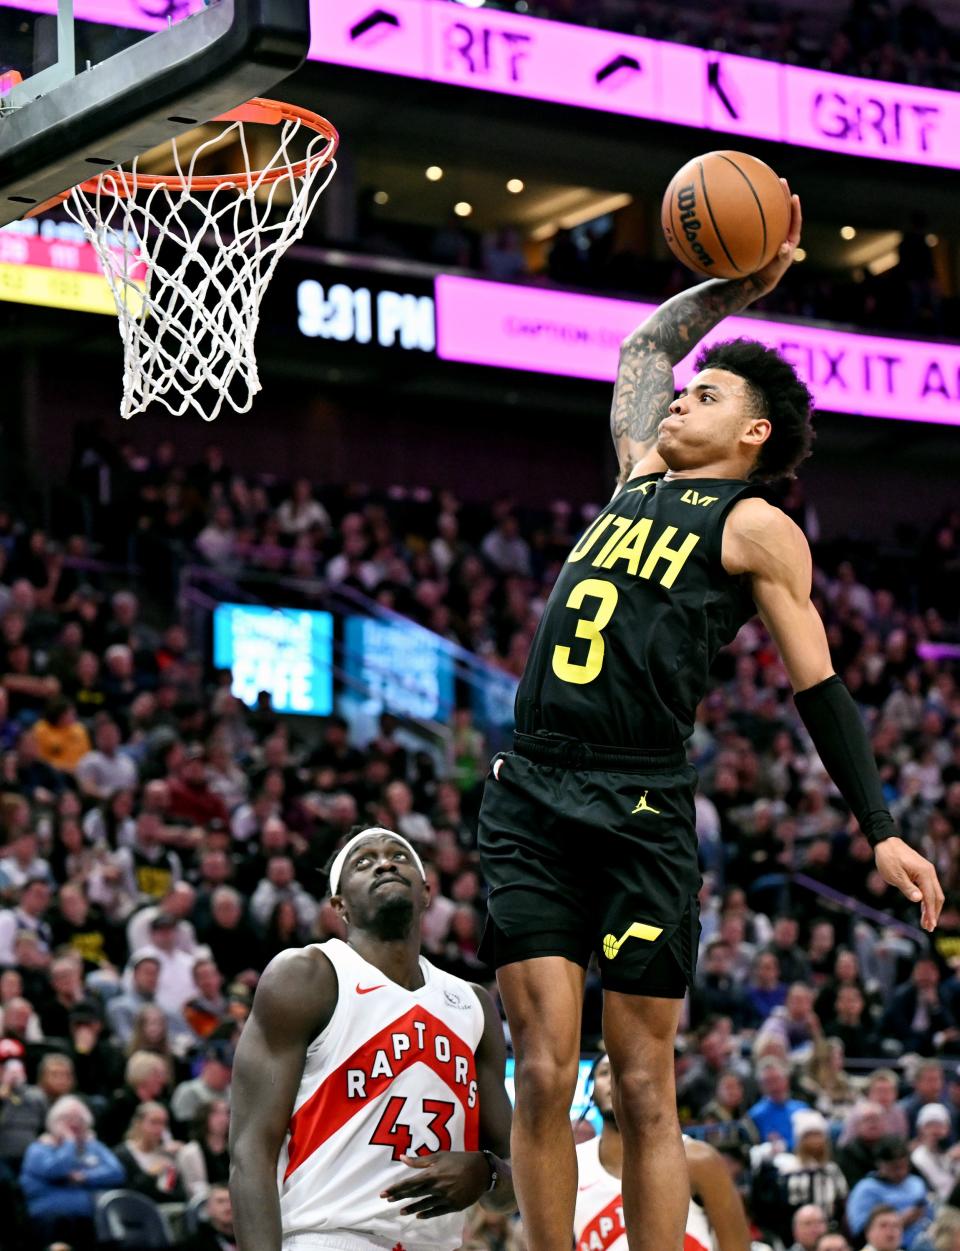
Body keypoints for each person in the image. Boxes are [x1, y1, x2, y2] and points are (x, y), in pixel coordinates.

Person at [475, 188, 943, 1251]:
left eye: (710, 394)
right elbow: (647, 343)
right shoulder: (638, 470)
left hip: (639, 803)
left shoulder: (758, 526)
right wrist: (737, 287)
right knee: (542, 1068)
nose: (682, 399)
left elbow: (817, 687)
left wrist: (881, 829)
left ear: (756, 431)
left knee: (641, 1083)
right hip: (533, 790)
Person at [230, 826, 515, 1251]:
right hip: (330, 1236)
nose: (384, 862)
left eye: (399, 856)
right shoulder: (309, 976)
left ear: (425, 892)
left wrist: (486, 1172)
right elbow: (250, 1150)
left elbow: (518, 1175)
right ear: (339, 905)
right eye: (363, 862)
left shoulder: (472, 1004)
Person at [574, 1051, 751, 1251]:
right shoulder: (572, 1165)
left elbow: (737, 1245)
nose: (615, 1080)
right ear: (590, 1089)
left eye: (626, 1071)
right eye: (605, 1072)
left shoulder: (698, 1159)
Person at [19, 1093, 125, 1249]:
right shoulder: (39, 1149)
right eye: (67, 1119)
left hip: (92, 1217)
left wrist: (85, 1176)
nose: (74, 1124)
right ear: (53, 1123)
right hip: (52, 1218)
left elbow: (117, 1172)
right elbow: (56, 1170)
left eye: (80, 1119)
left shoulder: (93, 1146)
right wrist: (69, 1143)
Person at [846, 1138, 933, 1251]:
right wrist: (901, 1221)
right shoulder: (866, 1189)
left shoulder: (916, 1183)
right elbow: (860, 1234)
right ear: (880, 1165)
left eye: (904, 1166)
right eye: (895, 1168)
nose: (901, 1172)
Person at [179, 1182, 237, 1251]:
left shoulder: (249, 1236)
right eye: (220, 1201)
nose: (228, 1206)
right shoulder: (195, 1244)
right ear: (208, 1208)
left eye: (231, 1201)